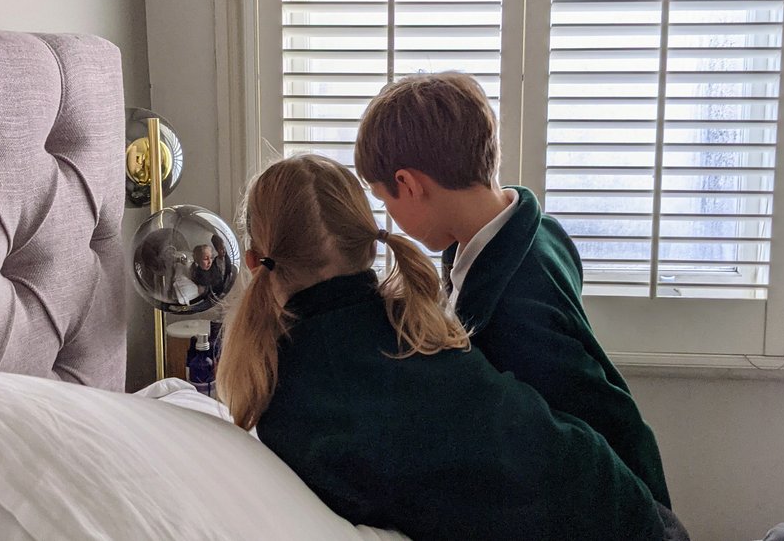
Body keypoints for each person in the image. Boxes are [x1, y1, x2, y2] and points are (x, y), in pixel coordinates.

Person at [216, 153, 670, 541]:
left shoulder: (292, 400)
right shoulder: (413, 323)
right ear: (370, 246)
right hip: (622, 499)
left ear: (255, 262)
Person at [354, 72, 674, 513]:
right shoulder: (536, 231)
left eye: (384, 200)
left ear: (409, 184)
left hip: (616, 501)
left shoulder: (512, 307)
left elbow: (555, 453)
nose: (388, 217)